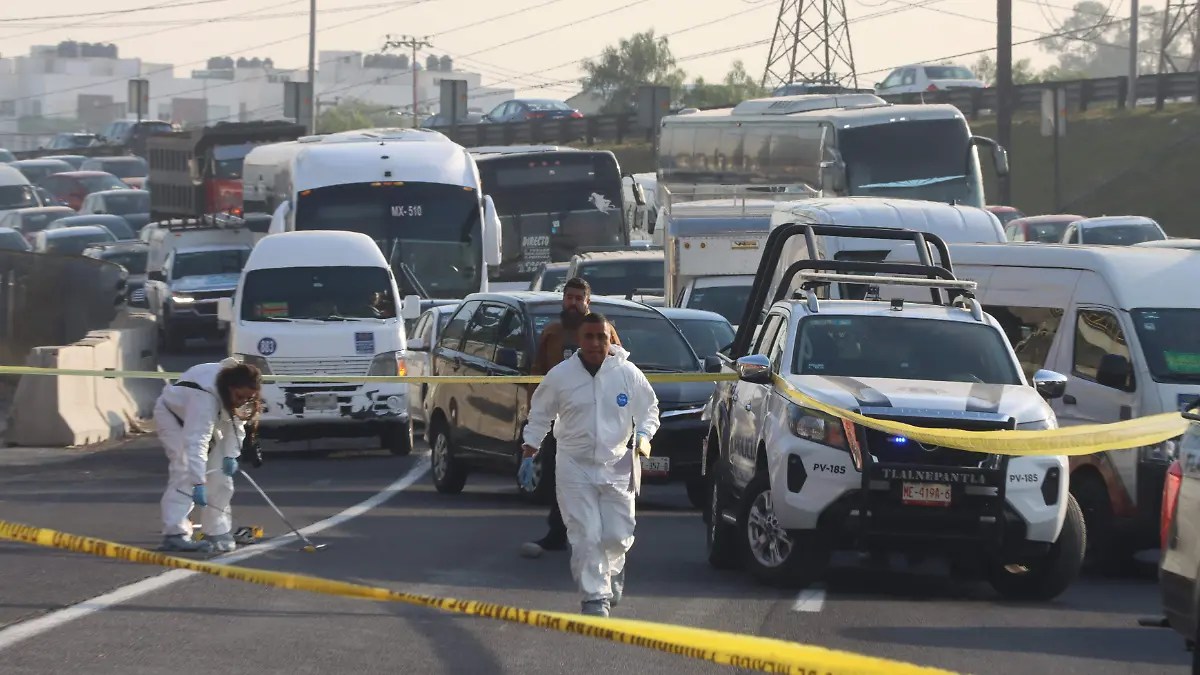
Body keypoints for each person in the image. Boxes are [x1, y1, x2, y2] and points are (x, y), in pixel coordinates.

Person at [520, 312, 659, 617]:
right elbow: (540, 414)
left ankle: (612, 570)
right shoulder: (561, 376)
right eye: (589, 337)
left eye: (602, 336)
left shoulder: (628, 373)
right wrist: (529, 452)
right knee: (585, 533)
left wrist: (645, 434)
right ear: (579, 341)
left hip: (619, 461)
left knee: (617, 535)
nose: (596, 343)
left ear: (611, 339)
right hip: (574, 464)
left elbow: (649, 409)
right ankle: (594, 597)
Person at [520, 277, 621, 559]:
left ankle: (598, 537)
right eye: (569, 298)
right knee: (559, 479)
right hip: (561, 422)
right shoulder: (552, 333)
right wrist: (535, 415)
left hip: (597, 422)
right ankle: (557, 532)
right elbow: (538, 373)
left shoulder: (604, 331)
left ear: (588, 302)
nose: (574, 303)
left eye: (579, 298)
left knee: (599, 482)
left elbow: (621, 371)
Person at [154, 357, 263, 553]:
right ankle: (175, 533)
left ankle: (217, 531)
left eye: (247, 398)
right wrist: (198, 483)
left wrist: (230, 455)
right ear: (229, 388)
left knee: (221, 477)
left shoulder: (241, 394)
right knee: (185, 469)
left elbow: (237, 425)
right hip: (174, 418)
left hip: (210, 423)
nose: (242, 402)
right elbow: (197, 441)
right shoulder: (204, 397)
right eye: (239, 397)